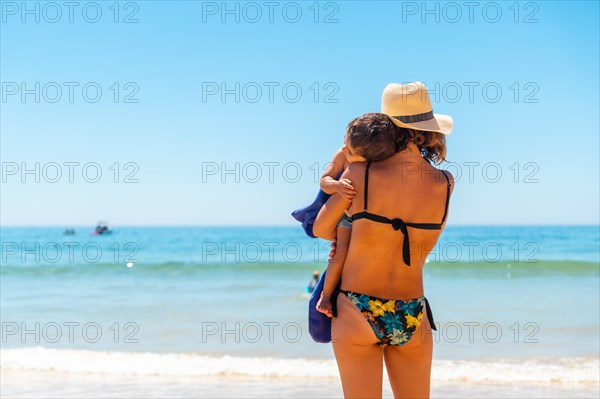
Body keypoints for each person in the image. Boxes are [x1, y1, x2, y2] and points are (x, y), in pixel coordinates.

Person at [313, 82, 454, 398]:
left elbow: (321, 229)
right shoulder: (445, 183)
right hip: (412, 312)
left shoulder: (360, 173)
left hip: (357, 307)